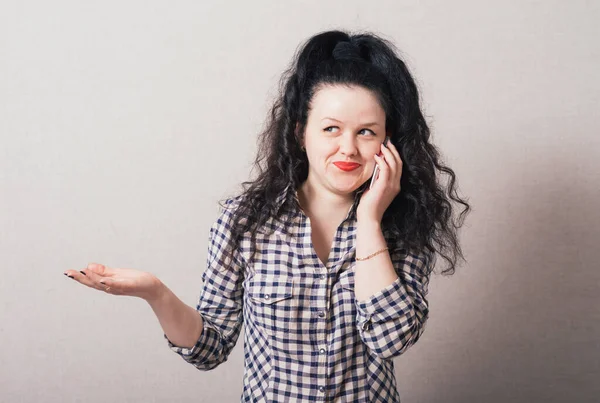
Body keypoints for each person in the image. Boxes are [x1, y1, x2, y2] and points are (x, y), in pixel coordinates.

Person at [64, 29, 471, 402]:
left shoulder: (403, 224)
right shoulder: (244, 221)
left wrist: (370, 222)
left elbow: (391, 340)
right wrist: (155, 292)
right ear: (300, 132)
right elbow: (210, 348)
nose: (348, 148)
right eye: (331, 128)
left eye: (366, 132)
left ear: (387, 143)